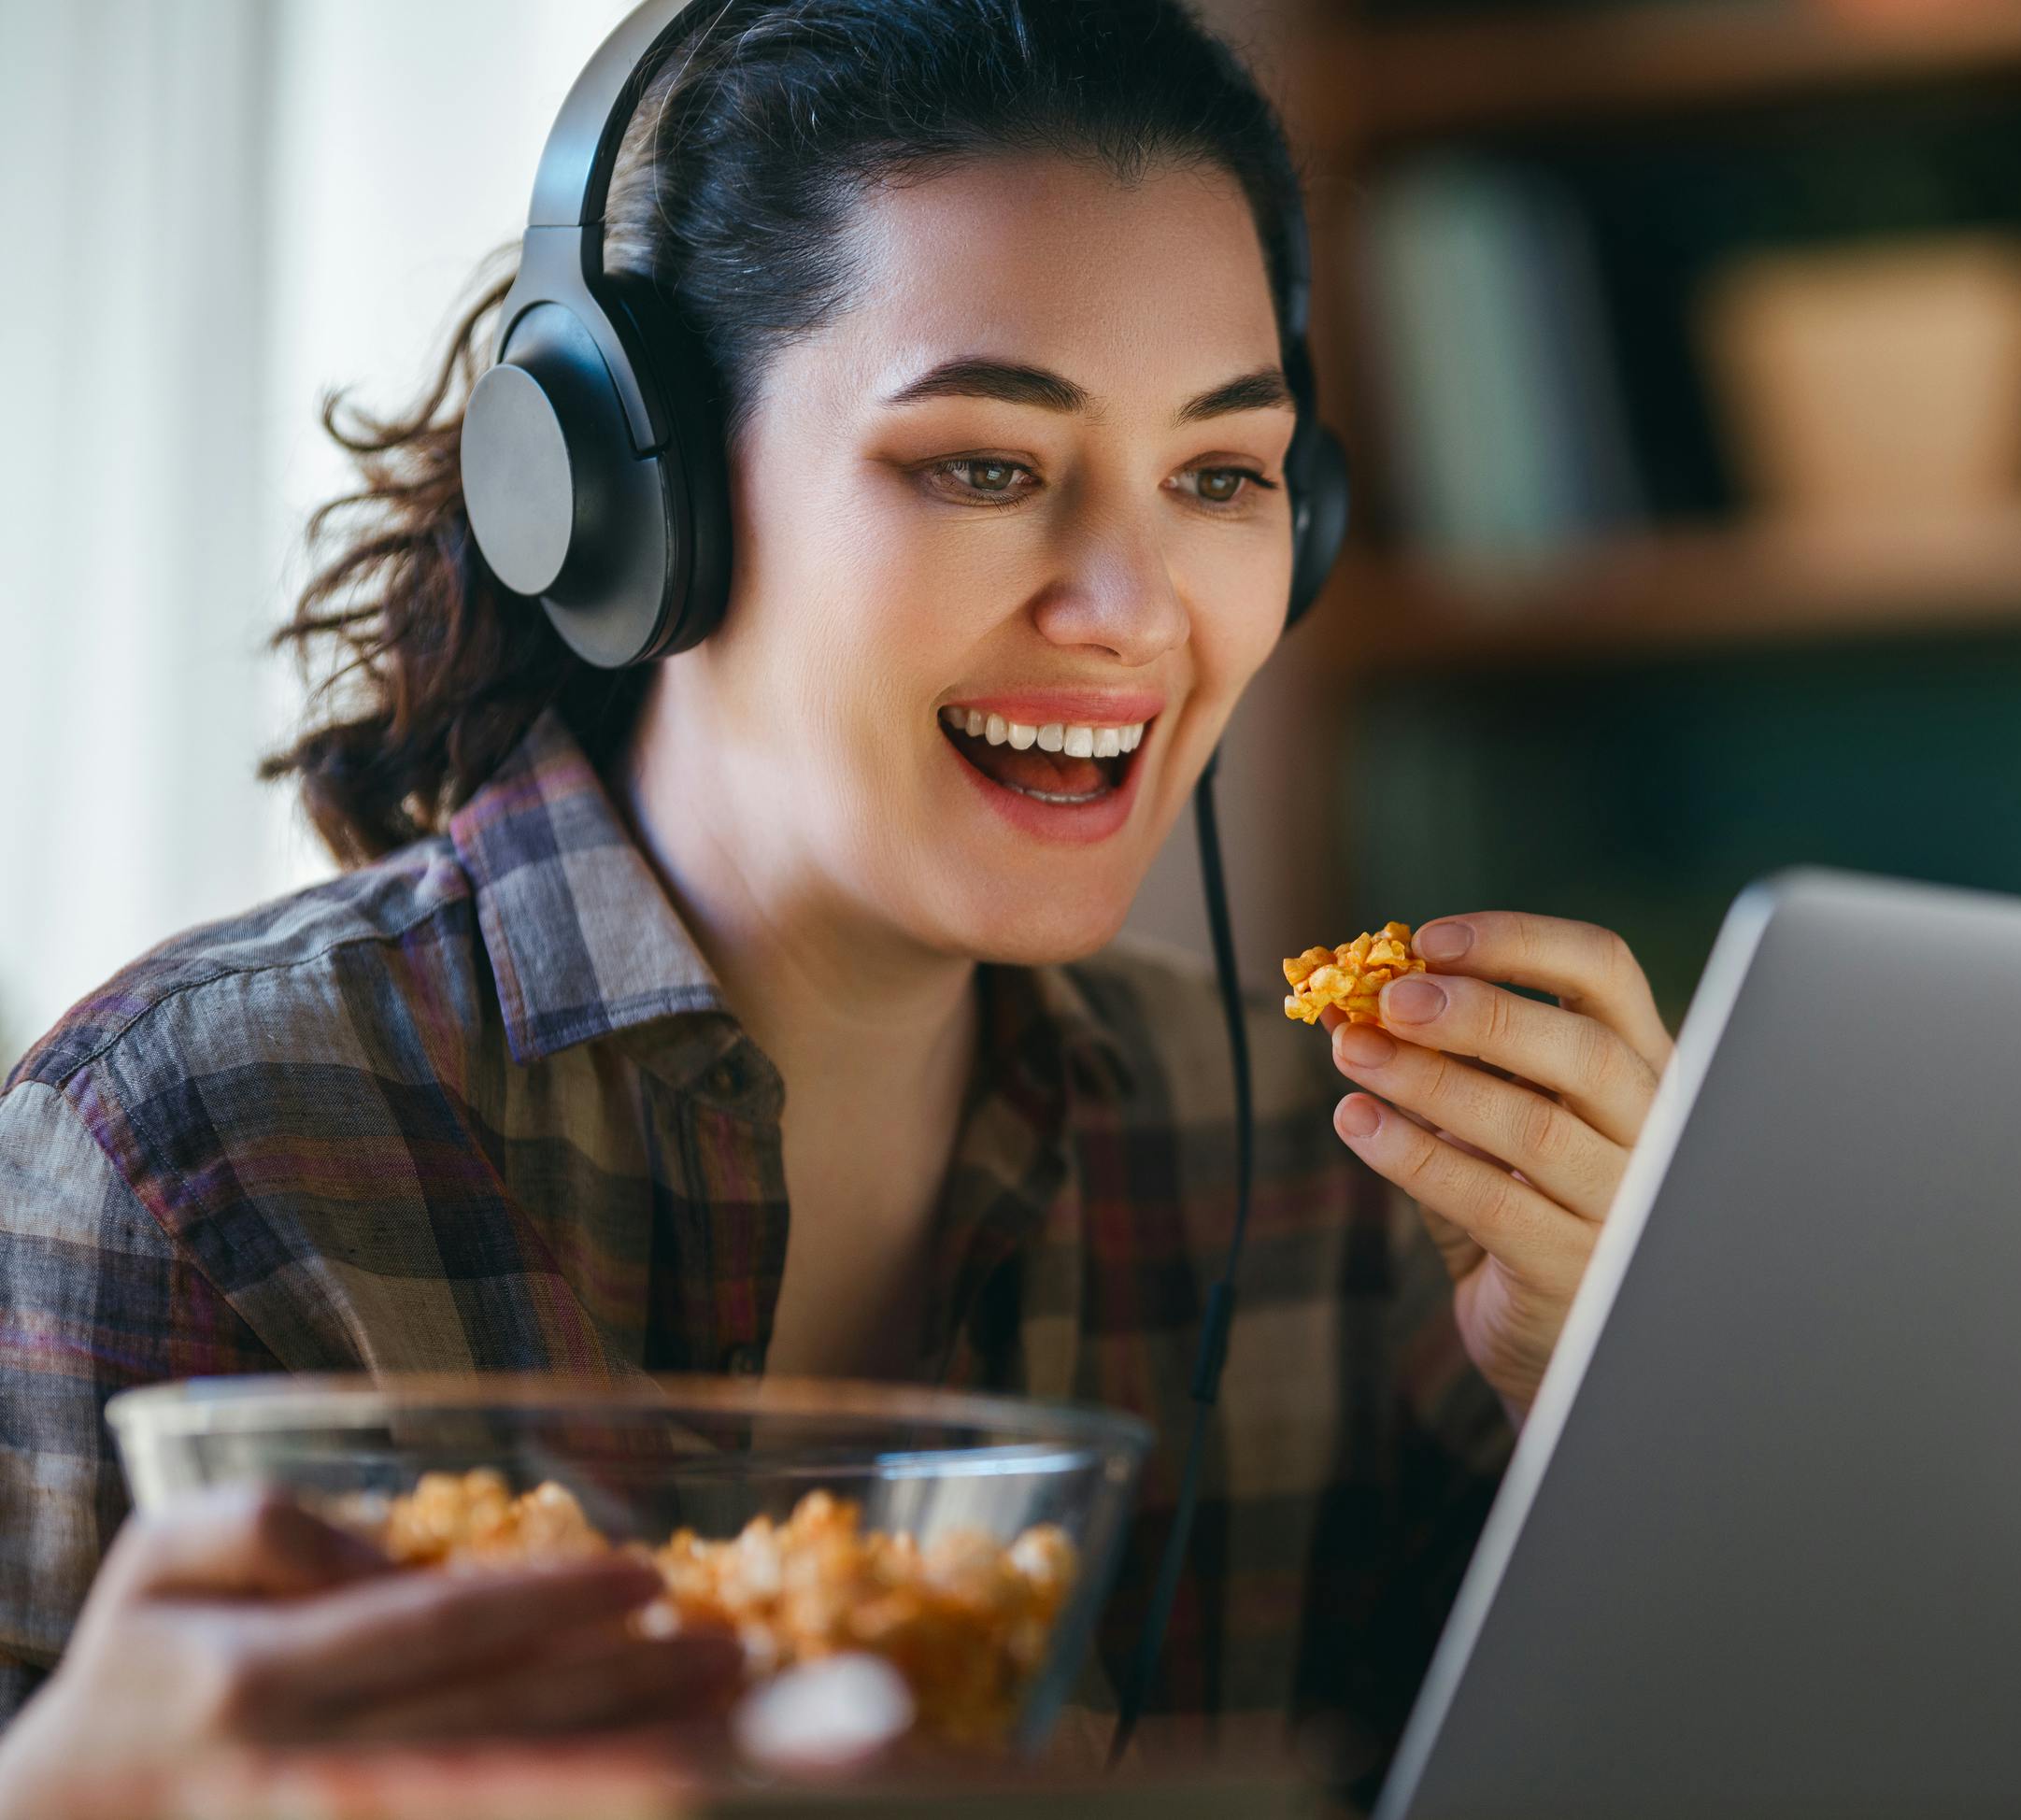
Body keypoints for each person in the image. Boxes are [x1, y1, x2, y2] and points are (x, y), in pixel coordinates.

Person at [0, 0, 1672, 1805]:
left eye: (1219, 476)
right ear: (632, 501)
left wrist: (1620, 1403)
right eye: (980, 464)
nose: (1133, 607)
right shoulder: (190, 1147)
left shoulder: (1297, 1154)